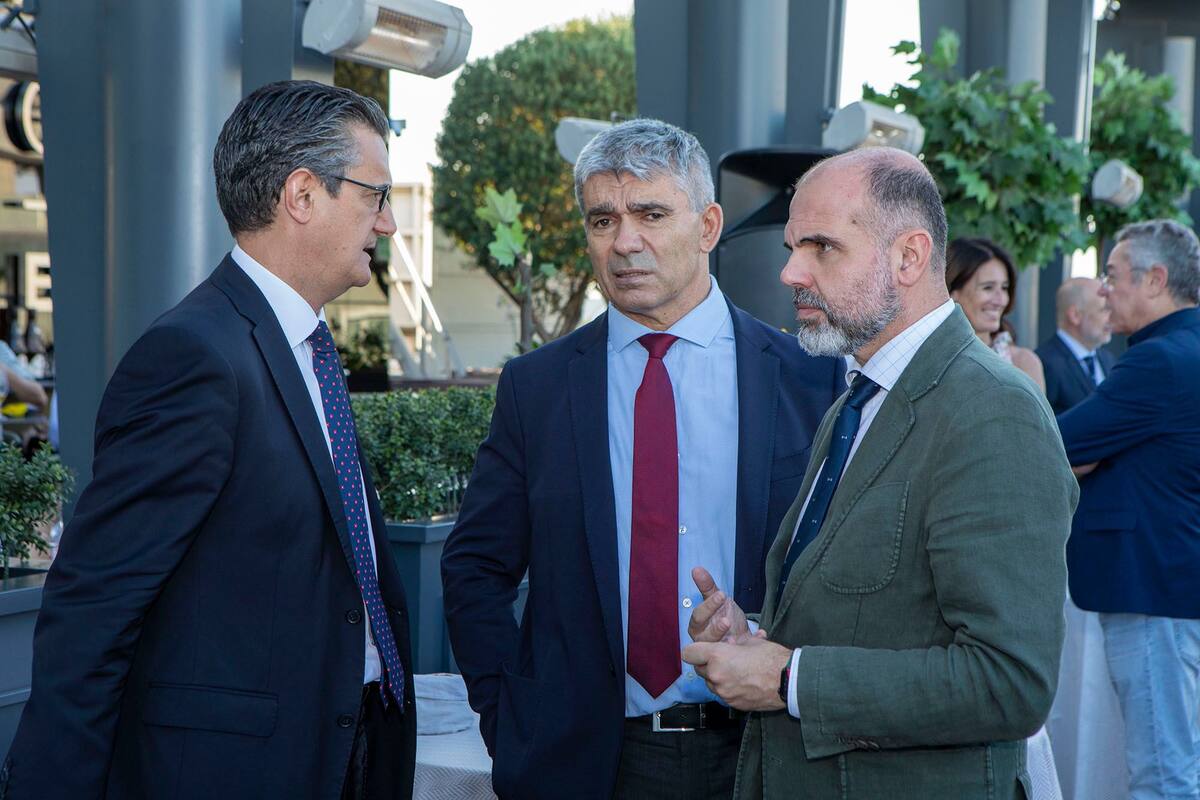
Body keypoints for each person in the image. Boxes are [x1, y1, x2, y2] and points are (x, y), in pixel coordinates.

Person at [1, 80, 416, 800]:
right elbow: (96, 608)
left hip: (342, 752)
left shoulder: (306, 347)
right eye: (375, 195)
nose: (388, 223)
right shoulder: (194, 357)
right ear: (302, 194)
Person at [440, 119, 843, 800]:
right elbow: (475, 567)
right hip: (586, 761)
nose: (624, 241)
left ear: (708, 226)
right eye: (603, 220)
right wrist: (510, 720)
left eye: (651, 214)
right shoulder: (537, 388)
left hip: (769, 753)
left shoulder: (812, 379)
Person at [680, 147, 1077, 799]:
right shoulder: (857, 399)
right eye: (792, 247)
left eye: (822, 247)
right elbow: (872, 616)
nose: (790, 272)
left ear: (909, 257)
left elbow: (1010, 683)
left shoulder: (993, 412)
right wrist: (754, 640)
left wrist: (789, 680)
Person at [1057, 219, 1200, 800]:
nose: (1102, 289)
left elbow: (1059, 442)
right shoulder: (1180, 352)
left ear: (1155, 279)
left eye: (1112, 275)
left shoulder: (1160, 361)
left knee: (1163, 776)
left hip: (1153, 591)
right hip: (1170, 586)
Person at [946, 236, 1046, 391]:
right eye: (988, 287)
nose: (1000, 300)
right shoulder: (931, 359)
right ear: (952, 292)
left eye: (1004, 288)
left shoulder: (1023, 363)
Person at [1036, 277, 1114, 415]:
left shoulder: (1108, 359)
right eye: (1104, 310)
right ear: (1075, 315)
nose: (1111, 318)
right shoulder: (1044, 363)